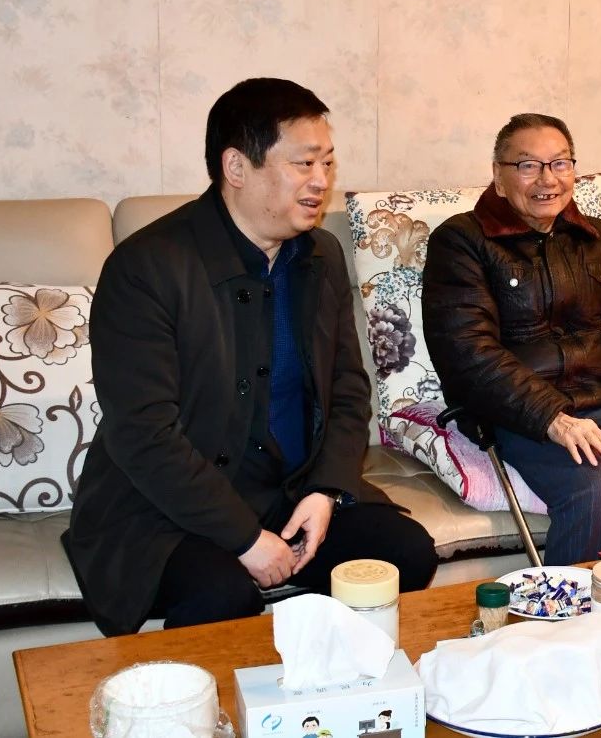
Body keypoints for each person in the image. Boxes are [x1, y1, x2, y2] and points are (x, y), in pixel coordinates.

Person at [63, 78, 438, 636]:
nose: (321, 181)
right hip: (166, 506)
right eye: (304, 163)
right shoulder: (147, 267)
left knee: (403, 554)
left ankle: (329, 678)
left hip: (289, 490)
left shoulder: (320, 254)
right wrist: (244, 539)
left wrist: (326, 490)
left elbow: (347, 390)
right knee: (222, 595)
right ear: (236, 166)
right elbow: (142, 433)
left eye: (327, 163)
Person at [421, 113, 601, 565]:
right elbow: (467, 351)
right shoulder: (462, 242)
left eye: (560, 163)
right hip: (516, 413)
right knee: (597, 491)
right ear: (498, 176)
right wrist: (552, 417)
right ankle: (570, 609)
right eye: (528, 166)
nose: (548, 179)